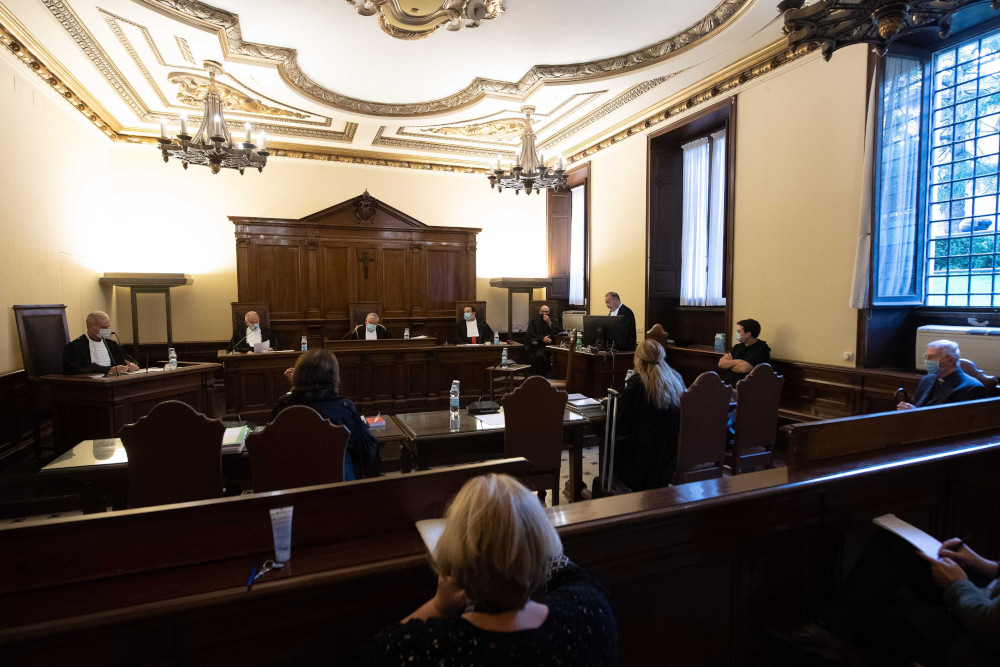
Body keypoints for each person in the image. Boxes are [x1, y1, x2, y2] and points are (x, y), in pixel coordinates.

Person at [355, 473, 617, 666]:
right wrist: (520, 534)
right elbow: (568, 570)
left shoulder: (425, 649)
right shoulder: (590, 613)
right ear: (540, 549)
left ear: (457, 565)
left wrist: (438, 605)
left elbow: (367, 657)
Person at [769, 529, 1000, 666]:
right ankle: (826, 633)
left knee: (877, 614)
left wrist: (957, 584)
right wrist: (988, 566)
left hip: (982, 643)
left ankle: (833, 646)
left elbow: (988, 625)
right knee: (894, 544)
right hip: (987, 597)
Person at [270, 349, 377, 480]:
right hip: (337, 488)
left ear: (297, 375)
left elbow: (272, 448)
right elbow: (367, 452)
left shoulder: (283, 406)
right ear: (334, 377)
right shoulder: (343, 408)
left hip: (292, 488)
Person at [614, 339, 685, 491]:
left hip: (648, 449)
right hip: (674, 447)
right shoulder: (675, 378)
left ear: (638, 358)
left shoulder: (637, 384)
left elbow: (622, 418)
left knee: (617, 440)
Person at [898, 340, 988, 410]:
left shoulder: (972, 388)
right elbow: (915, 405)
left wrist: (915, 413)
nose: (927, 361)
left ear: (950, 361)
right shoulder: (926, 379)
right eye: (926, 357)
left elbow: (958, 422)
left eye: (932, 357)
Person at [63, 311, 138, 376]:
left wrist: (130, 365)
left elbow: (124, 360)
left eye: (108, 327)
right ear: (90, 327)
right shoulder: (75, 347)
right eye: (103, 328)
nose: (107, 330)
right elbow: (77, 369)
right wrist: (108, 370)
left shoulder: (111, 344)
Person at [717, 318, 770, 384]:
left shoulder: (761, 349)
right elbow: (721, 363)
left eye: (739, 331)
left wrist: (729, 364)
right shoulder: (737, 347)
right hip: (729, 383)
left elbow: (744, 369)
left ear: (748, 334)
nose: (737, 333)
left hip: (746, 388)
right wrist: (738, 361)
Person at [524, 304, 560, 376]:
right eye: (543, 312)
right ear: (539, 312)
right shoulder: (534, 322)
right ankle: (533, 377)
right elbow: (530, 335)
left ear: (549, 312)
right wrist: (542, 339)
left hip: (549, 346)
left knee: (540, 355)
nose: (544, 314)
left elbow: (558, 332)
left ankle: (543, 377)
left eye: (546, 312)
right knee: (533, 355)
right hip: (537, 345)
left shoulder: (553, 322)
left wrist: (549, 322)